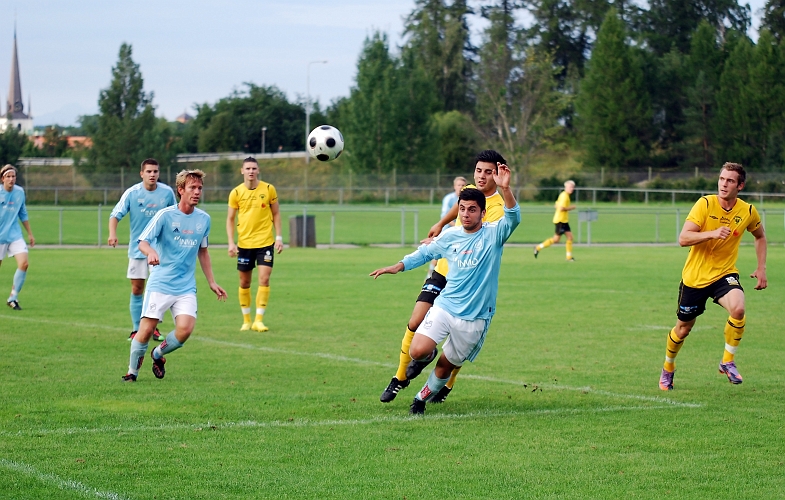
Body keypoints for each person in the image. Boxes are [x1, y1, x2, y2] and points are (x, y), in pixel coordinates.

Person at [370, 164, 520, 415]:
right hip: (445, 307)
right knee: (418, 350)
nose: (465, 214)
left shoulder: (495, 234)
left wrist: (505, 188)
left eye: (472, 210)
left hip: (474, 318)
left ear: (483, 213)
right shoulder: (451, 236)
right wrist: (399, 266)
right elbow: (424, 253)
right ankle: (419, 364)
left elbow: (514, 216)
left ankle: (420, 398)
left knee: (444, 369)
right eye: (462, 209)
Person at [659, 163, 767, 391]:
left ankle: (727, 360)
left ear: (740, 186)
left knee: (738, 309)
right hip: (695, 278)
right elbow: (683, 238)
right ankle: (668, 367)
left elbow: (760, 236)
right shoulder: (705, 204)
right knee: (683, 329)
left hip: (724, 274)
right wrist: (712, 233)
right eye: (721, 179)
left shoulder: (747, 211)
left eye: (729, 180)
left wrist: (761, 267)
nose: (723, 183)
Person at [122, 169, 227, 382]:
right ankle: (132, 373)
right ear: (180, 190)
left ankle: (158, 354)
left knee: (185, 330)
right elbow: (142, 242)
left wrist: (212, 282)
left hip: (185, 287)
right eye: (192, 188)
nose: (197, 192)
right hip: (160, 284)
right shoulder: (165, 215)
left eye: (200, 188)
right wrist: (150, 252)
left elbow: (203, 251)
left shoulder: (204, 219)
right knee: (145, 331)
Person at [108, 158, 176, 341]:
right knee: (137, 288)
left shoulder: (167, 193)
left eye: (155, 171)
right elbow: (115, 214)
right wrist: (112, 234)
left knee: (157, 290)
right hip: (137, 250)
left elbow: (174, 217)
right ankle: (136, 329)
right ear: (142, 174)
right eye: (149, 172)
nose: (152, 175)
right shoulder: (132, 193)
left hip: (160, 252)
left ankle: (152, 328)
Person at [227, 157, 283, 332]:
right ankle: (246, 320)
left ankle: (259, 319)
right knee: (244, 282)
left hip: (265, 242)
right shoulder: (236, 192)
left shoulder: (268, 189)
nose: (251, 171)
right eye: (248, 168)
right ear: (242, 171)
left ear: (258, 170)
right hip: (244, 244)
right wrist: (231, 242)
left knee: (264, 279)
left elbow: (276, 214)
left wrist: (279, 237)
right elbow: (230, 219)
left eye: (254, 168)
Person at [0, 164, 34, 310]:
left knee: (24, 263)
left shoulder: (20, 192)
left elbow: (23, 213)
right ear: (2, 179)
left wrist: (30, 233)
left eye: (13, 176)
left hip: (14, 234)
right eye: (8, 176)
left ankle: (13, 298)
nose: (11, 179)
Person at [428, 176, 467, 276]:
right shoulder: (449, 199)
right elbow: (445, 216)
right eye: (459, 185)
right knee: (439, 255)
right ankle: (430, 275)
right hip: (448, 231)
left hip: (462, 233)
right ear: (454, 186)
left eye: (463, 185)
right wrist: (456, 226)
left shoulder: (468, 198)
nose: (461, 187)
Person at [533, 180, 576, 261]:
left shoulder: (563, 195)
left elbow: (556, 205)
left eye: (573, 187)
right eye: (570, 187)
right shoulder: (564, 196)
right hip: (560, 221)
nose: (572, 189)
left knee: (569, 237)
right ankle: (538, 247)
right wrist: (571, 208)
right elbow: (561, 208)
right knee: (556, 239)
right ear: (566, 187)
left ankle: (569, 257)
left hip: (563, 221)